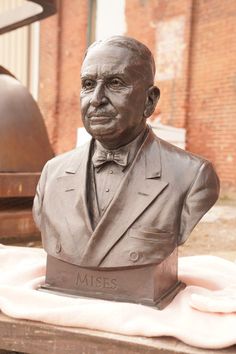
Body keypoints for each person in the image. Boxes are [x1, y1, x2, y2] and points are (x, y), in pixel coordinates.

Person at [33, 36, 219, 269]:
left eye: (116, 83)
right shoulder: (52, 173)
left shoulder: (193, 176)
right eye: (88, 84)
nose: (97, 99)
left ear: (149, 101)